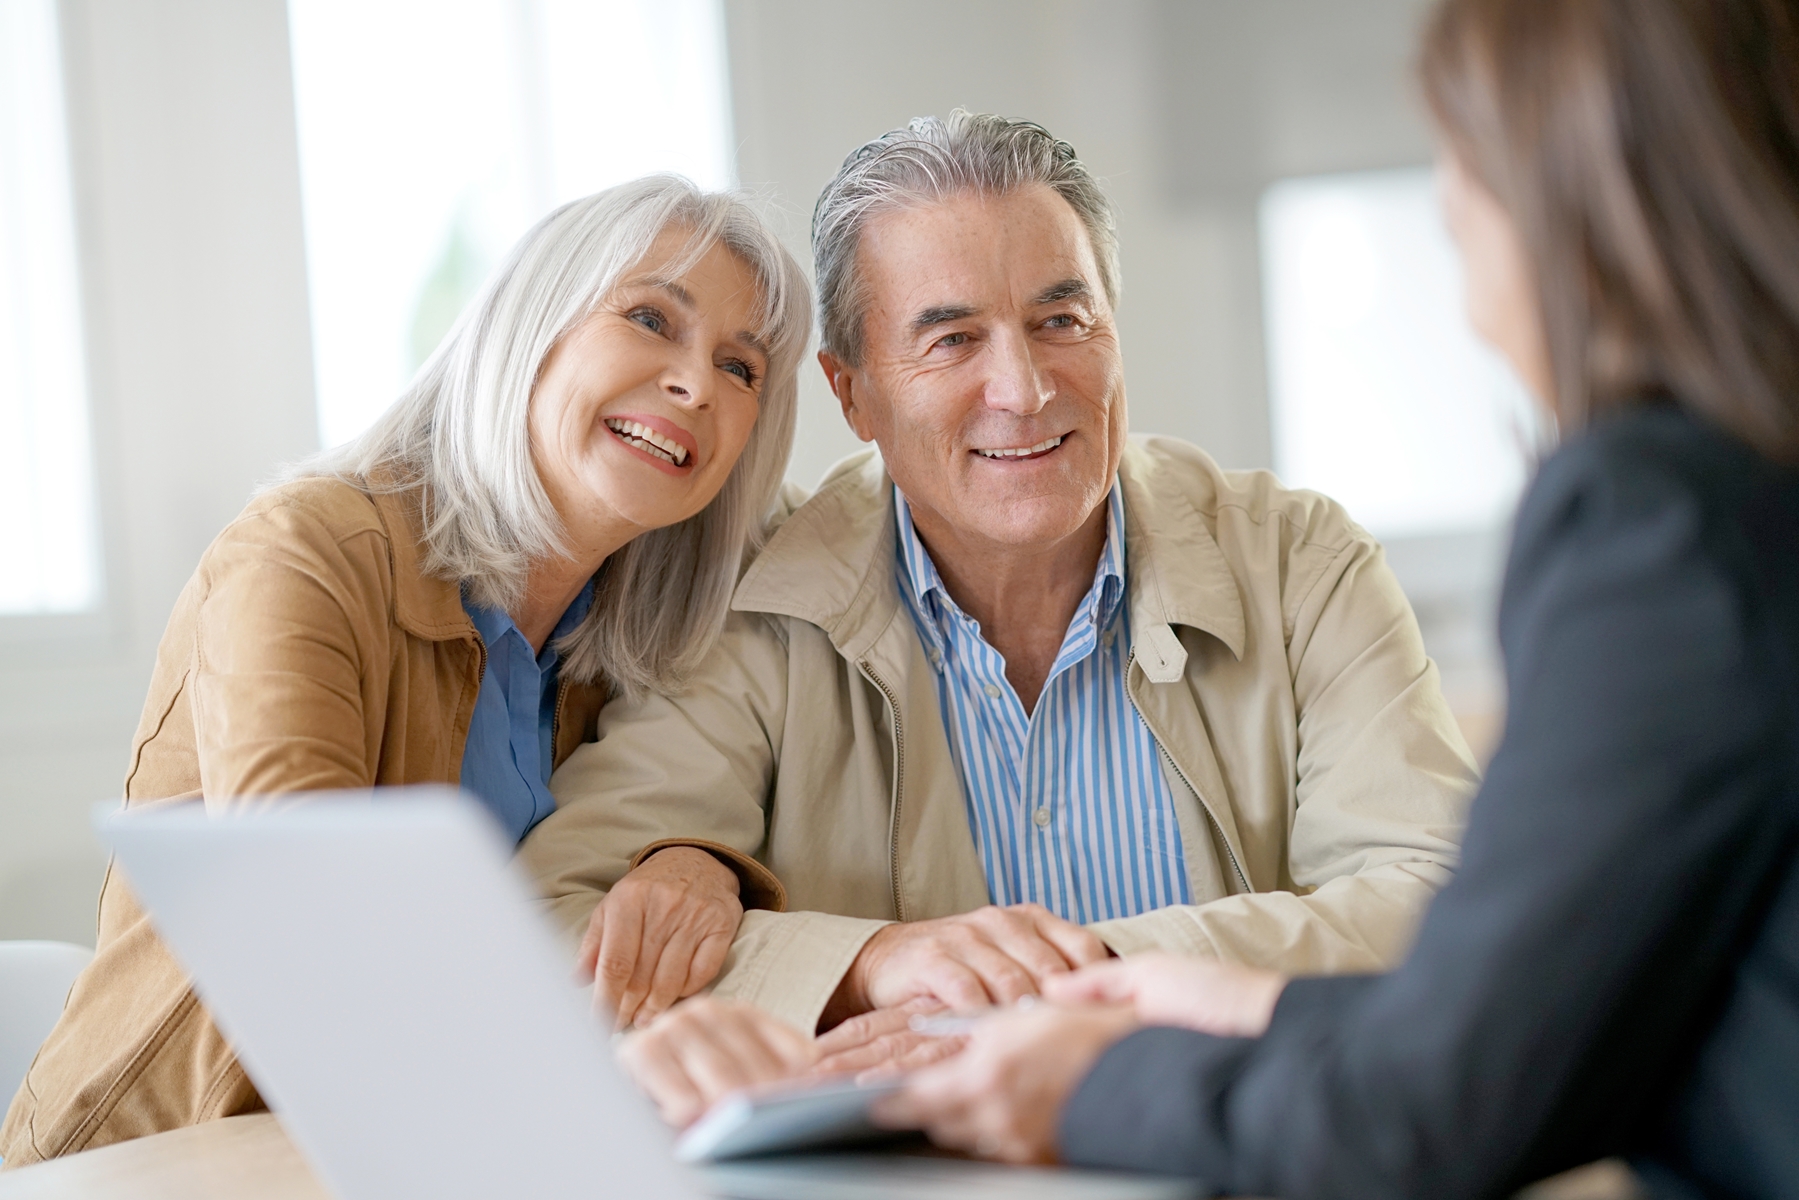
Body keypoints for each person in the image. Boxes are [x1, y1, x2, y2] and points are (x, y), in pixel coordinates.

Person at [873, 1, 1799, 1195]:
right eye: (952, 341)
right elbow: (1555, 1027)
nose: (1449, 223)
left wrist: (1091, 1080)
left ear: (1574, 194)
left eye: (1459, 166)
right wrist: (1245, 1004)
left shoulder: (1657, 523)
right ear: (851, 392)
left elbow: (1437, 1109)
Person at [522, 111, 1480, 1051]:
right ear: (851, 392)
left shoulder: (1302, 565)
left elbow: (1436, 894)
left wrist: (1080, 979)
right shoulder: (754, 600)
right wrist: (868, 967)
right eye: (950, 340)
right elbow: (555, 924)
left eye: (1060, 320)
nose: (1023, 389)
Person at [0, 176, 811, 1167]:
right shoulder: (307, 550)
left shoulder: (631, 638)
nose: (696, 384)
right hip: (179, 1156)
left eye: (742, 366)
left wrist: (694, 860)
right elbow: (305, 924)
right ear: (529, 327)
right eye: (650, 318)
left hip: (449, 1148)